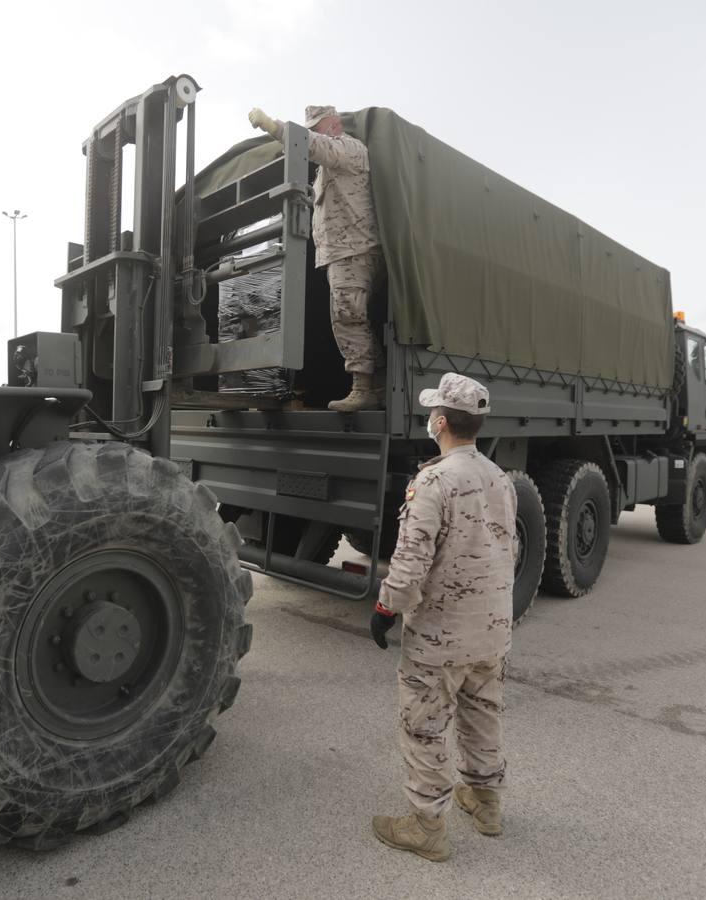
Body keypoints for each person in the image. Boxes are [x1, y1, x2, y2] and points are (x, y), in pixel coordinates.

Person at [367, 373, 518, 861]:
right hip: (493, 631)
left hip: (441, 633)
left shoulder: (434, 480)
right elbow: (506, 549)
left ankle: (427, 825)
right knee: (483, 713)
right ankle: (485, 802)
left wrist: (386, 607)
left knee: (425, 724)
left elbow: (411, 562)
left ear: (440, 421)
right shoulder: (500, 478)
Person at [247, 104, 385, 412]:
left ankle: (364, 387)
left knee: (348, 316)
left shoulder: (348, 147)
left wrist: (276, 127)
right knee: (351, 315)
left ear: (334, 125)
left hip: (351, 249)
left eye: (316, 127)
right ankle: (374, 385)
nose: (313, 134)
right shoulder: (330, 167)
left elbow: (313, 145)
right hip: (343, 250)